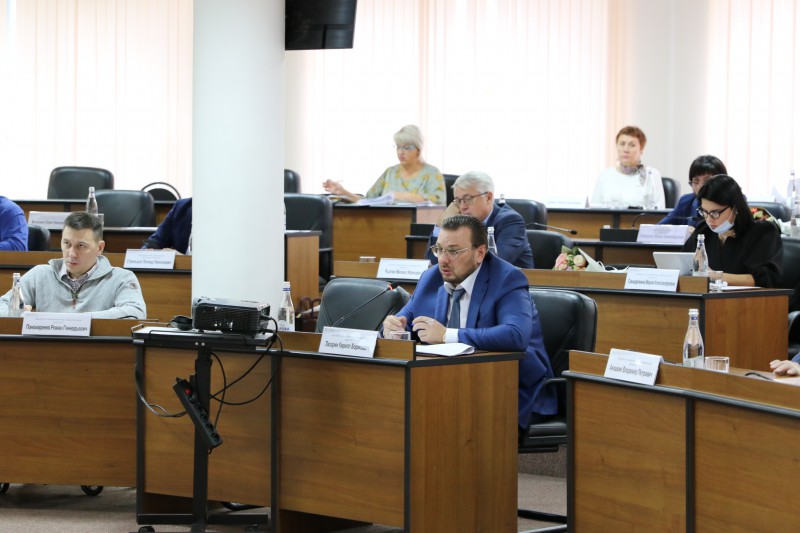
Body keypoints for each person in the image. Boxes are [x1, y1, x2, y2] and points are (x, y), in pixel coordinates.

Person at [382, 215, 556, 430]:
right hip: (446, 384)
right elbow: (403, 321)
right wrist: (391, 328)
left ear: (480, 253)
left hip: (507, 387)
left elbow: (515, 335)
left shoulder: (507, 279)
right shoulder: (431, 278)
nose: (443, 260)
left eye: (453, 251)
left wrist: (447, 335)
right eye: (439, 250)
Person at [0, 211, 147, 318]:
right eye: (67, 243)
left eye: (81, 246)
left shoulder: (121, 278)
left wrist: (78, 320)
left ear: (99, 248)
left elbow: (136, 312)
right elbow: (3, 305)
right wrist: (17, 315)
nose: (71, 253)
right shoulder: (39, 274)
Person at [681, 174, 783, 287]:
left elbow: (768, 278)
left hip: (748, 297)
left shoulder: (762, 232)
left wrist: (715, 276)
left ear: (735, 208)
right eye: (704, 212)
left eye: (715, 212)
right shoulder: (703, 230)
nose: (709, 219)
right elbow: (683, 264)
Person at [424, 171, 533, 268]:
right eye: (458, 200)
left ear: (488, 197)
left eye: (468, 199)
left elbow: (494, 264)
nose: (462, 206)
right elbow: (431, 264)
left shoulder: (510, 221)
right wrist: (440, 227)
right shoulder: (461, 223)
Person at [322, 125, 446, 205]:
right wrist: (342, 191)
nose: (401, 152)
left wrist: (402, 196)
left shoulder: (432, 173)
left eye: (406, 148)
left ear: (418, 150)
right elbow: (368, 201)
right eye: (398, 147)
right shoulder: (390, 172)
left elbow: (438, 204)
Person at [591, 125, 665, 209]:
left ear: (641, 150)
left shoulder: (651, 174)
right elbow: (594, 210)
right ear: (617, 147)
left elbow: (659, 210)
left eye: (632, 145)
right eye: (622, 144)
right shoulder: (605, 175)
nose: (626, 149)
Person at [658, 155, 728, 227]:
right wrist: (684, 230)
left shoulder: (731, 204)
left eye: (707, 181)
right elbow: (660, 228)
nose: (700, 186)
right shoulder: (685, 201)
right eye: (696, 181)